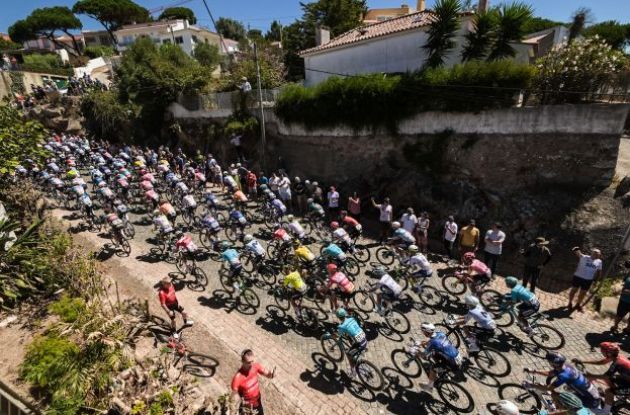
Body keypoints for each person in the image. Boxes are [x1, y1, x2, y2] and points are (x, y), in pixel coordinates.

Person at [525, 352, 602, 412]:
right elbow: (550, 373)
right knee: (557, 394)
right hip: (590, 394)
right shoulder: (566, 366)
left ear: (553, 363)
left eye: (549, 362)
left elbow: (548, 388)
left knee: (557, 397)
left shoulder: (564, 375)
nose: (549, 363)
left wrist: (531, 385)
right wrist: (534, 371)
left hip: (590, 401)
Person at [577, 341, 630, 414]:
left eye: (603, 352)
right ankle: (613, 396)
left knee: (609, 391)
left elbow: (604, 376)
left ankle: (605, 412)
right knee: (611, 379)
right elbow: (601, 362)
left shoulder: (617, 363)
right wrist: (583, 361)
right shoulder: (617, 357)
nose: (602, 353)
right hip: (626, 379)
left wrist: (589, 375)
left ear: (608, 353)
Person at [414, 322, 463, 392]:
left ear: (427, 332)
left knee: (432, 369)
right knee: (435, 354)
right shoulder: (440, 333)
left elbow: (424, 356)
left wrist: (417, 351)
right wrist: (425, 343)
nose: (423, 333)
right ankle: (442, 372)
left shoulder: (432, 342)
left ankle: (429, 387)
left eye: (423, 332)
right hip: (457, 355)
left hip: (454, 363)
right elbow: (436, 342)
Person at [231, 349, 275, 415]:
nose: (251, 364)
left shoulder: (255, 366)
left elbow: (267, 374)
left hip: (257, 402)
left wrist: (271, 374)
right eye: (248, 362)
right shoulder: (238, 378)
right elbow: (234, 396)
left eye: (252, 361)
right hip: (247, 408)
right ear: (243, 361)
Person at [335, 308, 367, 378]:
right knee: (351, 339)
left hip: (360, 344)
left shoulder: (342, 326)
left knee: (349, 354)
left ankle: (353, 372)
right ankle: (361, 352)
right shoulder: (352, 319)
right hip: (364, 338)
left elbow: (338, 335)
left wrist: (334, 335)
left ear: (338, 317)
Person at [568, 247, 603, 312]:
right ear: (592, 253)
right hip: (578, 277)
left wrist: (596, 281)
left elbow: (599, 272)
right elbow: (578, 253)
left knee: (583, 293)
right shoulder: (584, 257)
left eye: (598, 254)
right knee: (574, 290)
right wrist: (576, 249)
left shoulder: (599, 262)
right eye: (595, 253)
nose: (596, 255)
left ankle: (578, 304)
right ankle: (570, 303)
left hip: (588, 280)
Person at [611, 261, 630, 334]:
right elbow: (622, 284)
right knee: (620, 315)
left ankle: (628, 329)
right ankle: (615, 326)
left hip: (625, 298)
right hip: (624, 300)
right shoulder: (628, 275)